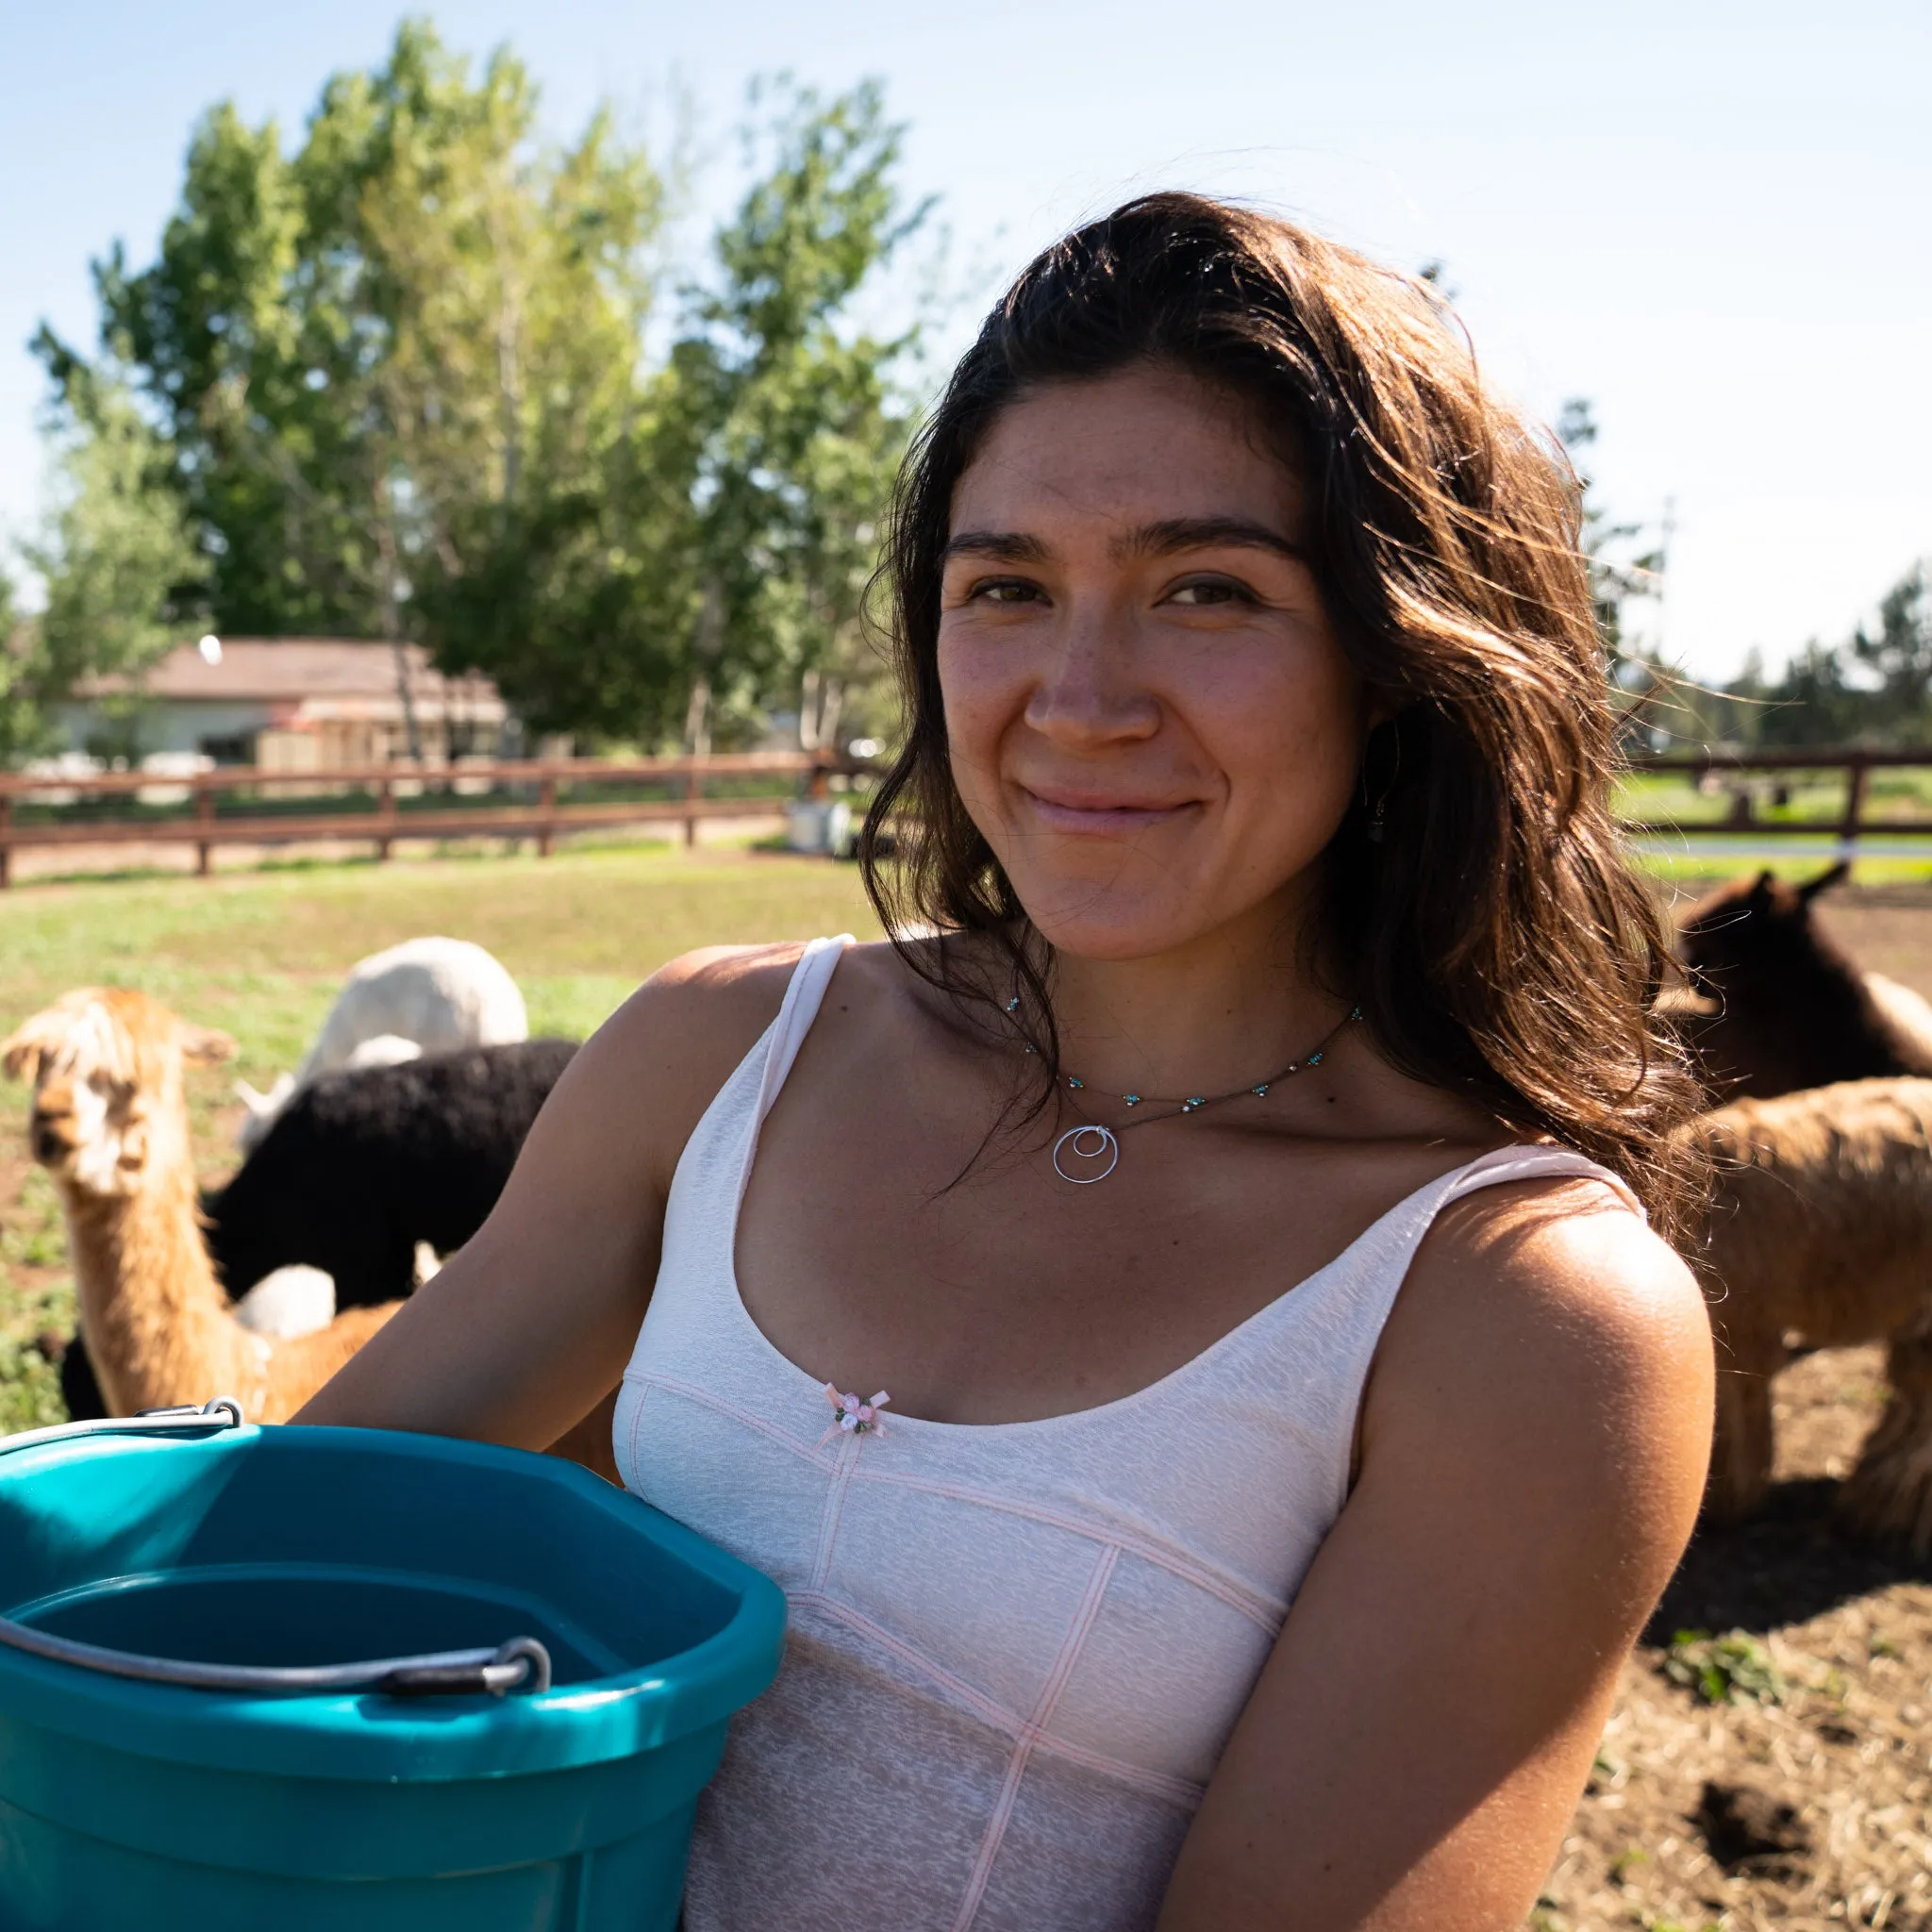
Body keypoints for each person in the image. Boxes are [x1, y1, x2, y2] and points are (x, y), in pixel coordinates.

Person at [299, 193, 1715, 1930]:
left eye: (1209, 590)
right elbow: (290, 1553)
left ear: (1403, 656)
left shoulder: (1518, 1315)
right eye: (1009, 587)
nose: (1080, 694)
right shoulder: (721, 1053)